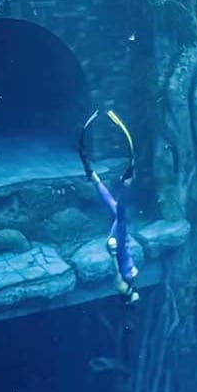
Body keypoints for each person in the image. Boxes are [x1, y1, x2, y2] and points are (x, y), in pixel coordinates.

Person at [79, 109, 139, 304]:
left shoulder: (124, 286)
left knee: (119, 213)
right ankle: (98, 178)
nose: (137, 299)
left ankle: (123, 183)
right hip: (123, 242)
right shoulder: (130, 284)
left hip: (118, 244)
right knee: (116, 208)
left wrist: (112, 251)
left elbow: (117, 269)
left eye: (134, 301)